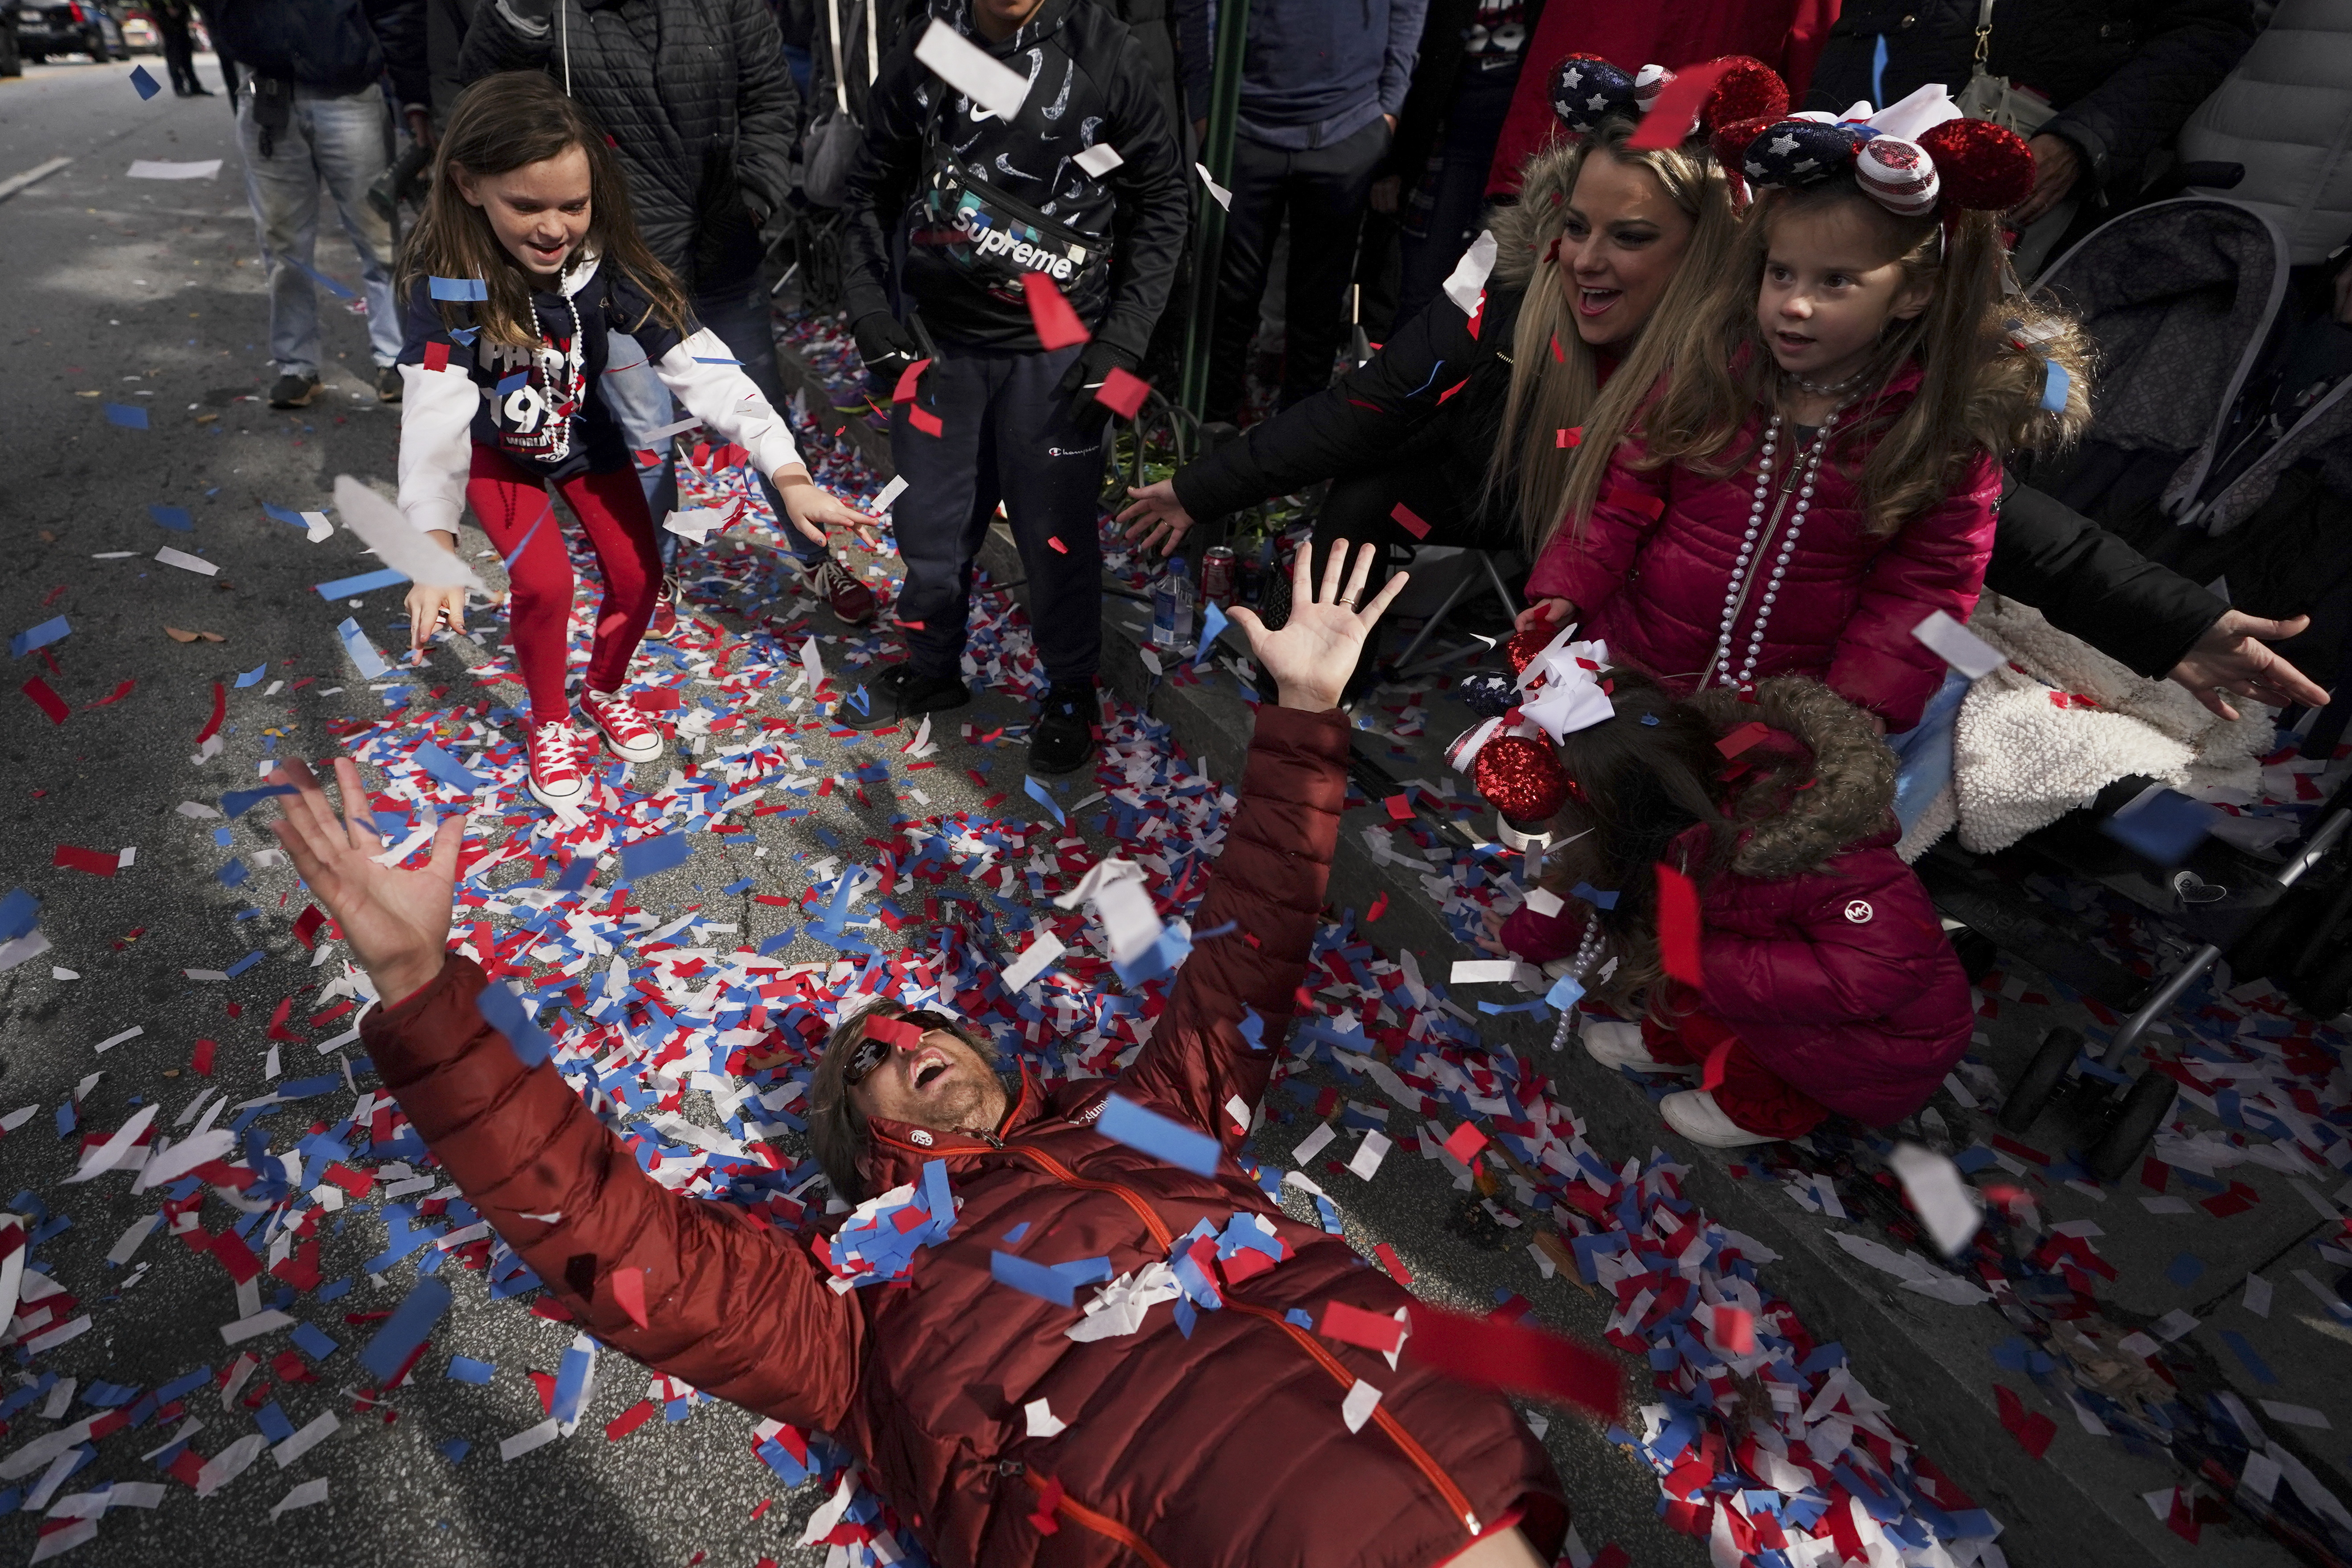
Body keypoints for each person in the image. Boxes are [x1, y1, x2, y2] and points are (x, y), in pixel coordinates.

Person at [266, 540, 1577, 1568]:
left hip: (1457, 1461)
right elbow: (623, 1245)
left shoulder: (1156, 1120)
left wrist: (1300, 716)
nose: (903, 1044)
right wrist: (423, 988)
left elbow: (1250, 954)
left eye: (921, 1026)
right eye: (867, 1067)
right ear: (859, 1144)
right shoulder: (850, 1314)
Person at [1120, 58, 2334, 722]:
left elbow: (1990, 517)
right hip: (1530, 505)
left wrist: (2177, 621)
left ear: (1704, 248)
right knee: (1368, 487)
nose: (1588, 260)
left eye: (1630, 238)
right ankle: (1332, 690)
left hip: (1670, 575)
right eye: (1577, 228)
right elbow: (1366, 404)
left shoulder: (1758, 348)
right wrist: (1196, 485)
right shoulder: (1506, 292)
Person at [1515, 90, 2093, 736]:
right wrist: (1568, 585)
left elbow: (1925, 592)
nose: (1793, 304)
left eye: (1834, 283)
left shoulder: (1935, 438)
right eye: (1781, 274)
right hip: (1631, 677)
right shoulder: (1709, 375)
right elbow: (1622, 494)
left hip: (1776, 721)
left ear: (1913, 292)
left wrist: (1847, 716)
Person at [394, 73, 874, 809]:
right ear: (467, 185)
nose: (554, 227)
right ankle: (549, 721)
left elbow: (701, 360)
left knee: (639, 577)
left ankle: (603, 688)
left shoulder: (606, 266)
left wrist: (787, 470)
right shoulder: (447, 284)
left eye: (573, 205)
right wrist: (432, 542)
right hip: (501, 454)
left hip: (587, 435)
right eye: (527, 205)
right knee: (547, 584)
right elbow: (434, 408)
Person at [837, 0, 1187, 775]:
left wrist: (1124, 347)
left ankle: (1071, 691)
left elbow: (1165, 201)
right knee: (929, 528)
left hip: (1060, 355)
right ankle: (932, 668)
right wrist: (869, 314)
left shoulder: (1106, 51)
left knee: (1056, 537)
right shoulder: (930, 46)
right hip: (939, 350)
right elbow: (867, 191)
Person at [458, 0, 877, 631]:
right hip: (621, 252)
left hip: (724, 236)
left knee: (754, 394)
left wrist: (756, 197)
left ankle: (813, 551)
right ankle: (654, 568)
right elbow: (491, 99)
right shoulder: (557, 13)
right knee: (646, 430)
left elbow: (766, 96)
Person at [1466, 655, 1969, 1147]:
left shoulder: (1804, 843)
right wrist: (1521, 939)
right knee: (1680, 968)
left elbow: (1884, 968)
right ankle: (1676, 1042)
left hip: (1881, 1041)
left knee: (1695, 976)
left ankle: (1768, 1110)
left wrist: (1710, 965)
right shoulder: (1679, 794)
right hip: (1760, 975)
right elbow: (1581, 883)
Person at [1806, 0, 2254, 273]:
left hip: (2029, 172)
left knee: (1963, 368)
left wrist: (2084, 142)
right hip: (1853, 148)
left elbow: (2208, 29)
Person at [1178, 0, 1431, 424]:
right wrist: (1206, 114)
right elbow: (1195, 10)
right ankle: (1210, 439)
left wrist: (1387, 112)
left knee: (1318, 306)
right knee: (1226, 299)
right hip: (1242, 131)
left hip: (1348, 128)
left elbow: (1407, 9)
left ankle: (1298, 444)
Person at [209, 0, 428, 408]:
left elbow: (397, 12)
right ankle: (297, 367)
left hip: (349, 91)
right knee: (282, 246)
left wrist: (413, 95)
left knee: (380, 240)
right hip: (266, 93)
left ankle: (395, 358)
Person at [155, 0, 213, 95]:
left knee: (186, 53)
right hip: (166, 20)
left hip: (181, 17)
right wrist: (165, 9)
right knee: (174, 56)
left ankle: (195, 86)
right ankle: (179, 87)